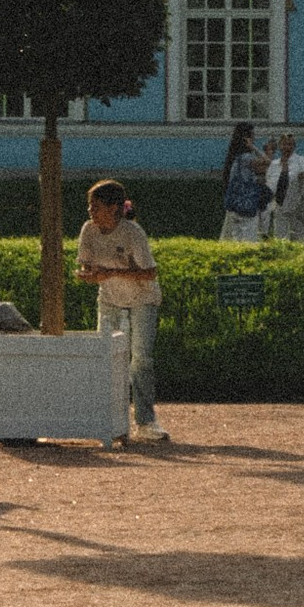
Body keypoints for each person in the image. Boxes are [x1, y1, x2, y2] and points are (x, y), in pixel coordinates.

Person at [74, 176, 168, 444]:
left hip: (142, 299)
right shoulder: (88, 231)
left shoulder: (132, 233)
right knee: (105, 356)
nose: (90, 211)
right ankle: (108, 416)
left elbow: (150, 273)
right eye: (89, 206)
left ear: (114, 208)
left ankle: (146, 421)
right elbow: (86, 266)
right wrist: (89, 275)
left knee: (140, 359)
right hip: (110, 298)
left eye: (96, 206)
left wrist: (111, 272)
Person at [219, 121, 271, 243]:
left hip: (234, 203)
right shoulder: (247, 158)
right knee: (249, 239)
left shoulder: (234, 158)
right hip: (247, 203)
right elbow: (268, 162)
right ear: (247, 138)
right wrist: (254, 148)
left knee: (234, 239)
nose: (255, 138)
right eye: (253, 135)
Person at [266, 132, 304, 243]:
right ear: (280, 146)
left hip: (299, 207)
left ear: (294, 146)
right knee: (280, 239)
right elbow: (269, 185)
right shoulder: (274, 165)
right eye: (284, 144)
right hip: (280, 208)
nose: (287, 147)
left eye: (290, 144)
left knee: (302, 239)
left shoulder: (303, 162)